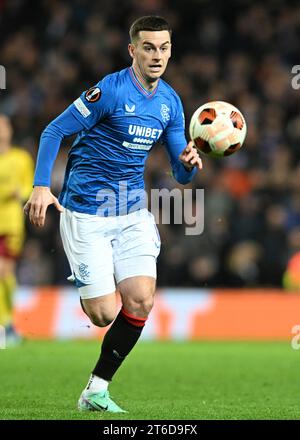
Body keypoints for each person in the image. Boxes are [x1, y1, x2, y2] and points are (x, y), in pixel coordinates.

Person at [24, 16, 202, 413]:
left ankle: (96, 390)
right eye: (149, 47)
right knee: (103, 314)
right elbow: (53, 131)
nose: (157, 55)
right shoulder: (108, 91)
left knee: (140, 301)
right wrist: (40, 186)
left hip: (132, 211)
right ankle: (90, 279)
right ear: (133, 50)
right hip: (86, 212)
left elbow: (179, 172)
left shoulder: (170, 103)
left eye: (164, 48)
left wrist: (189, 162)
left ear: (171, 50)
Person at [0, 114, 34, 345]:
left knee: (4, 272)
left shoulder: (20, 158)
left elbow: (29, 189)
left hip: (10, 224)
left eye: (3, 124)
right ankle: (7, 326)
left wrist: (17, 193)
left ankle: (7, 322)